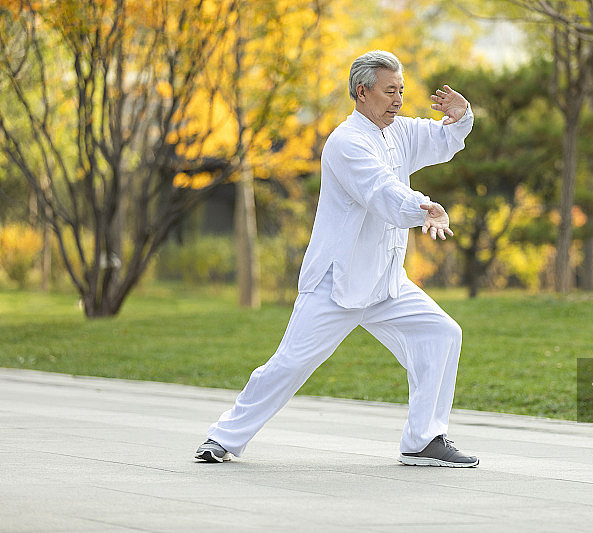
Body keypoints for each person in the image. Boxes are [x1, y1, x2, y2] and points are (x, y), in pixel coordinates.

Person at [195, 50, 478, 467]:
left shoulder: (396, 132)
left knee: (441, 334)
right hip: (336, 282)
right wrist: (424, 209)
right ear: (362, 93)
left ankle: (424, 440)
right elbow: (381, 191)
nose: (398, 100)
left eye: (401, 90)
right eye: (389, 92)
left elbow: (438, 139)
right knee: (290, 363)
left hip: (385, 283)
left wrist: (461, 116)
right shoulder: (347, 143)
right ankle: (222, 437)